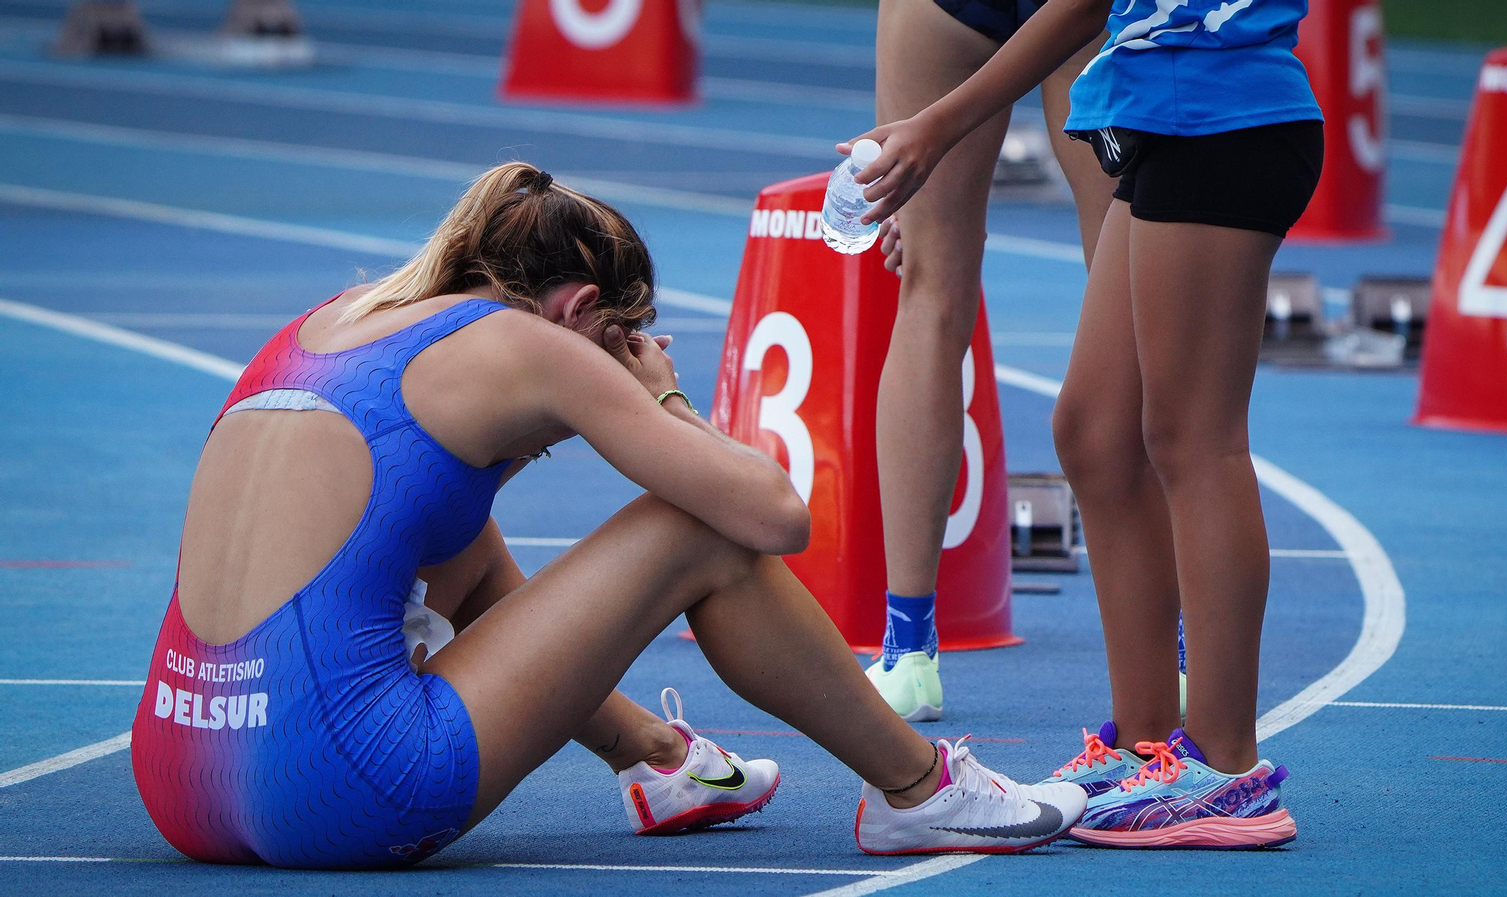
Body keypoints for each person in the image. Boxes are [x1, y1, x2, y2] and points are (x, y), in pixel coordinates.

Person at [129, 163, 1088, 869]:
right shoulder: (525, 345)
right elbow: (775, 515)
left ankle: (659, 760)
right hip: (337, 788)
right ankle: (921, 790)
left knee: (456, 537)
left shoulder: (347, 315)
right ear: (581, 309)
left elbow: (490, 596)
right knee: (702, 529)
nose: (625, 358)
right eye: (621, 339)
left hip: (177, 773)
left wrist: (648, 739)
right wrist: (665, 396)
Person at [843, 0, 1322, 848]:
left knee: (1194, 439)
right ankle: (1144, 739)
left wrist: (935, 129)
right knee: (1094, 432)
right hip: (1158, 115)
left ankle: (1225, 765)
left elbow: (1079, 5)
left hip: (1217, 108)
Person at [863, 0, 1115, 722]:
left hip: (957, 15)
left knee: (930, 293)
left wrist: (933, 134)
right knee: (1128, 287)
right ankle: (1177, 652)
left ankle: (906, 649)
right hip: (1091, 16)